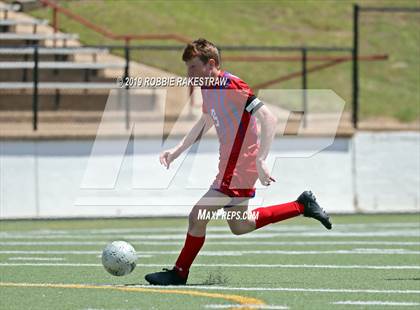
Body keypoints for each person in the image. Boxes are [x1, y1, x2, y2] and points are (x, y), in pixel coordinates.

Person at [145, 38, 331, 286]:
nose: (188, 74)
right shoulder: (208, 88)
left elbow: (269, 118)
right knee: (240, 225)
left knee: (197, 216)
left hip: (239, 166)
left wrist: (262, 159)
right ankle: (301, 205)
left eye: (192, 68)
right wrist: (178, 150)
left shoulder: (231, 85)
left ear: (210, 64)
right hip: (231, 166)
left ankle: (179, 273)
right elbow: (205, 121)